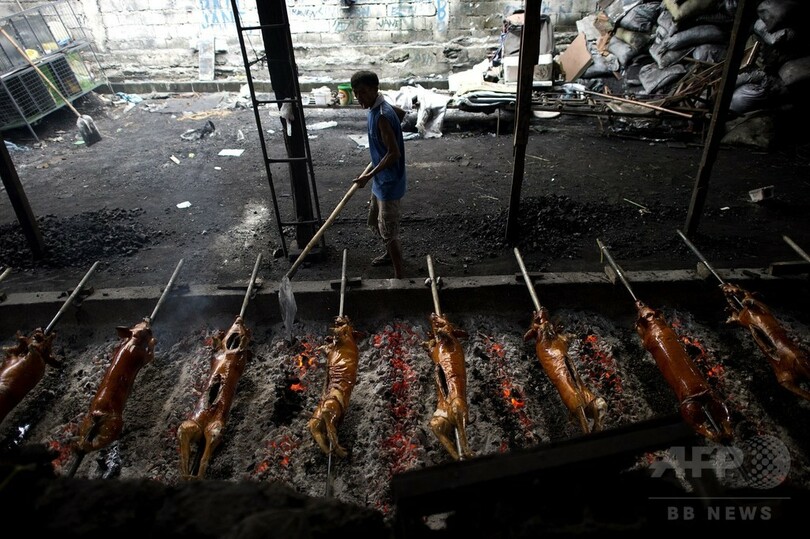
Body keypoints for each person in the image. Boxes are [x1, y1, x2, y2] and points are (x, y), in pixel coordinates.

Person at [350, 70, 408, 279]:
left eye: (363, 92)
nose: (359, 98)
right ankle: (388, 255)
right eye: (356, 93)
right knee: (377, 221)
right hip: (380, 180)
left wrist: (368, 176)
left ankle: (399, 274)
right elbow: (400, 114)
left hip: (389, 182)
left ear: (375, 89)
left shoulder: (382, 116)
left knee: (389, 231)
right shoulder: (380, 108)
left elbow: (394, 154)